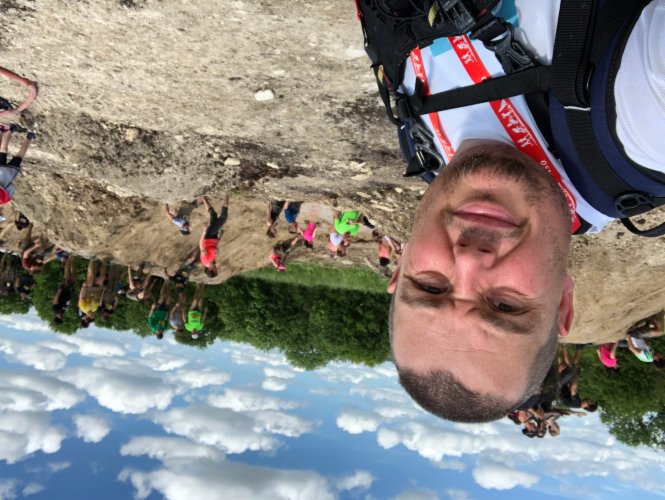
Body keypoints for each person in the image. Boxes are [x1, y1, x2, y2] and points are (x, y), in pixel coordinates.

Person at [353, 0, 665, 424]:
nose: (469, 260)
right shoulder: (642, 127)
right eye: (503, 305)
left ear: (401, 265)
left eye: (430, 287)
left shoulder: (424, 147)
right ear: (563, 306)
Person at [0, 124, 34, 202]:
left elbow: (11, 187)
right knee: (3, 150)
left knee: (19, 156)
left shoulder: (4, 200)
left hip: (9, 173)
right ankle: (9, 130)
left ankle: (30, 135)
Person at [198, 194, 228, 278]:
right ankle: (203, 198)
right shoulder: (212, 261)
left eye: (216, 270)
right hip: (214, 237)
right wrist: (220, 237)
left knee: (223, 217)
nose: (216, 268)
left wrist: (204, 232)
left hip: (209, 236)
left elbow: (201, 246)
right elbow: (213, 247)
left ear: (211, 270)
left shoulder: (206, 260)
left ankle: (226, 195)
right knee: (213, 215)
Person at [78, 260, 107, 327]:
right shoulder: (94, 309)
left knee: (91, 275)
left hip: (88, 289)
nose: (94, 315)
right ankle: (104, 262)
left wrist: (83, 287)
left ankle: (92, 260)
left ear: (88, 316)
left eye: (92, 316)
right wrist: (101, 291)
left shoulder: (83, 308)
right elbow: (98, 299)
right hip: (97, 290)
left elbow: (81, 297)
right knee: (102, 276)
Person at [53, 256, 76, 325]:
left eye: (62, 319)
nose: (63, 318)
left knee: (67, 274)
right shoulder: (63, 312)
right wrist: (71, 294)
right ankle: (72, 259)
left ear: (59, 318)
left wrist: (59, 290)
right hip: (68, 292)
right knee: (73, 276)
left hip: (63, 290)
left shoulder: (56, 310)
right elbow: (67, 303)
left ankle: (69, 258)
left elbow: (55, 301)